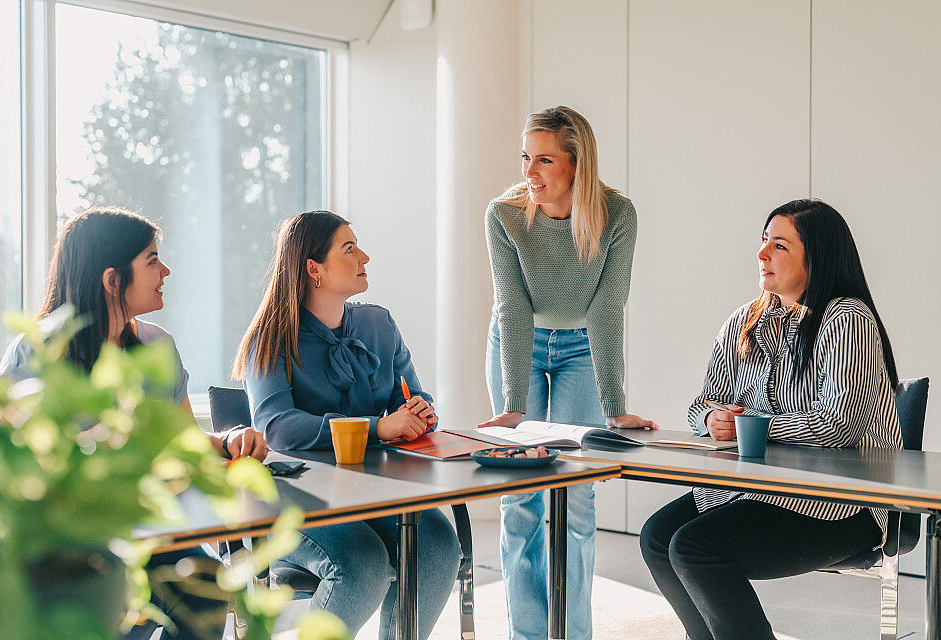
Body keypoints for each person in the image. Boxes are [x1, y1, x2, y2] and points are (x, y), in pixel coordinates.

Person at [0, 206, 269, 640]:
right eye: (152, 260)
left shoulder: (157, 345)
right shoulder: (37, 352)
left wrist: (228, 440)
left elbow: (183, 440)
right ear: (112, 280)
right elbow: (11, 460)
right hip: (70, 540)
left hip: (151, 530)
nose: (165, 269)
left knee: (209, 595)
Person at [639, 199, 902, 640]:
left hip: (839, 505)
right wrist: (713, 417)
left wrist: (752, 426)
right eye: (763, 241)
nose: (762, 254)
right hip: (760, 493)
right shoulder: (746, 319)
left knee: (693, 547)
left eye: (779, 245)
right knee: (657, 538)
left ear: (816, 258)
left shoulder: (846, 318)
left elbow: (837, 426)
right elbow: (702, 402)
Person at [233, 210, 461, 640]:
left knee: (439, 547)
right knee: (361, 563)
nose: (365, 257)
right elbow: (278, 427)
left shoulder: (379, 323)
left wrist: (420, 412)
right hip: (297, 499)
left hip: (377, 490)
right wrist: (379, 428)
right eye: (350, 249)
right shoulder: (271, 336)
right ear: (313, 268)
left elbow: (408, 394)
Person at [478, 105, 656, 640]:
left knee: (577, 493)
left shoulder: (616, 214)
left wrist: (614, 403)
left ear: (577, 164)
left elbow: (609, 306)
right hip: (519, 344)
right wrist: (512, 405)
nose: (530, 173)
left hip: (581, 346)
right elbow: (511, 307)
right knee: (521, 496)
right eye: (526, 158)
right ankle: (528, 635)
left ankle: (572, 634)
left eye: (545, 161)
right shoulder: (504, 214)